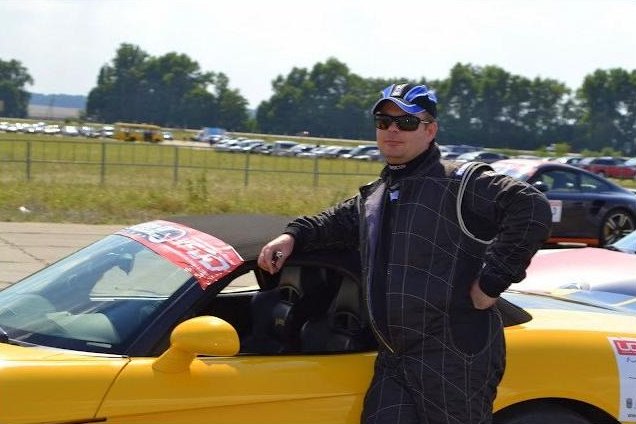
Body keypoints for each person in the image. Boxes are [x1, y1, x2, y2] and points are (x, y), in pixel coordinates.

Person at [257, 83, 552, 424]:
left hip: (453, 358)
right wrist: (291, 236)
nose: (393, 130)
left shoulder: (460, 181)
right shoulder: (377, 195)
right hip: (395, 357)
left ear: (430, 130)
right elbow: (330, 223)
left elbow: (531, 208)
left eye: (407, 122)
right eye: (384, 122)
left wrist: (492, 280)